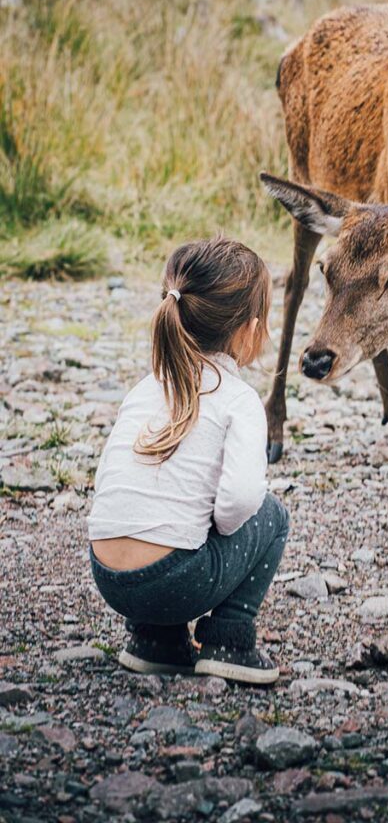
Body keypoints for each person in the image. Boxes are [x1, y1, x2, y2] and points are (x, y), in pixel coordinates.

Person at [87, 236, 288, 684]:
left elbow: (108, 481)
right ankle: (228, 640)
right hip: (174, 583)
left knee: (174, 507)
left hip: (107, 576)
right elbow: (238, 501)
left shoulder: (145, 387)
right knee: (271, 515)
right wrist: (218, 527)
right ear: (250, 331)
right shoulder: (239, 399)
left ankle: (155, 640)